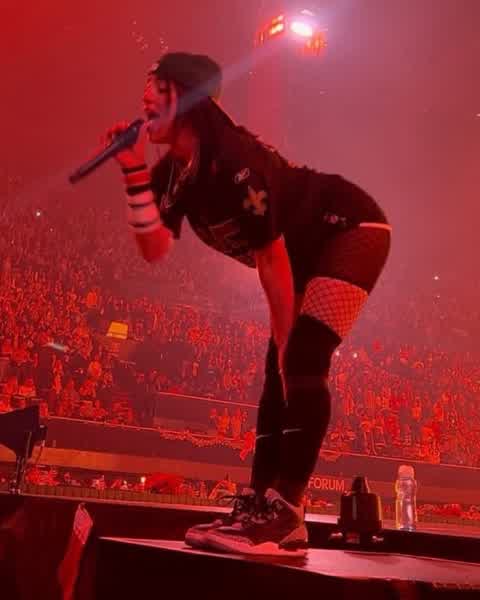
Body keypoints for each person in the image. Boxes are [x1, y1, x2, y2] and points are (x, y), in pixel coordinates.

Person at [105, 52, 391, 555]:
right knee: (277, 370)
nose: (143, 96)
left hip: (348, 229)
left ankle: (285, 513)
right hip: (300, 252)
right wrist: (131, 169)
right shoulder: (173, 173)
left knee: (300, 357)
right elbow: (152, 246)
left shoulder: (233, 162)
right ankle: (260, 505)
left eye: (157, 86)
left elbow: (271, 260)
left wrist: (285, 348)